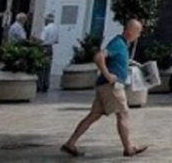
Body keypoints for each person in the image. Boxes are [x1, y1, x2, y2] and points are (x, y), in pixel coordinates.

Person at [61, 19, 148, 158]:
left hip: (104, 86)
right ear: (130, 31)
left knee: (93, 115)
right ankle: (129, 148)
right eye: (138, 32)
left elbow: (116, 60)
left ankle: (70, 143)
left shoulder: (122, 46)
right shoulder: (118, 43)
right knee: (123, 113)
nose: (139, 36)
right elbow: (99, 56)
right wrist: (107, 74)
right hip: (112, 86)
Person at [38, 13, 61, 92]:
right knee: (48, 67)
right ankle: (46, 84)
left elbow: (42, 39)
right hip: (50, 48)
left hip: (44, 47)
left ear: (47, 20)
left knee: (41, 67)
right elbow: (57, 41)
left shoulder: (46, 28)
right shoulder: (56, 28)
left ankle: (40, 85)